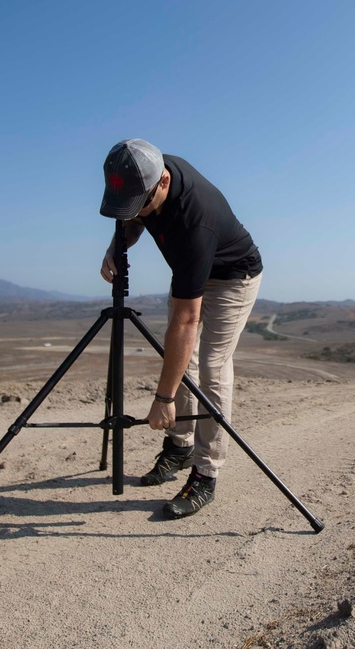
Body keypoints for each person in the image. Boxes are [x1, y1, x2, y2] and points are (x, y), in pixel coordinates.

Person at [98, 139, 262, 519]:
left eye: (141, 204)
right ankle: (180, 445)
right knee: (179, 359)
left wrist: (164, 398)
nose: (135, 212)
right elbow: (133, 219)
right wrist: (114, 247)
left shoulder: (194, 222)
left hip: (232, 277)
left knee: (212, 367)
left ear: (164, 183)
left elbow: (187, 321)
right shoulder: (142, 167)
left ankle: (206, 472)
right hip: (190, 271)